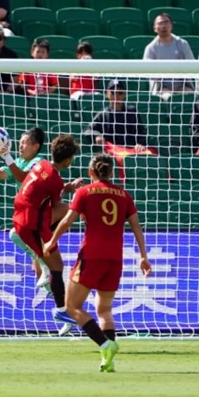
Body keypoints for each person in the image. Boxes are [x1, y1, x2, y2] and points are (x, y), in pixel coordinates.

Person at [43, 153, 151, 372]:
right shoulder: (123, 195)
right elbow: (136, 227)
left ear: (91, 172)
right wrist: (143, 256)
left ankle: (105, 343)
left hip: (91, 255)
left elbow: (67, 220)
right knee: (104, 310)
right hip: (114, 258)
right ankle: (108, 360)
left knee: (72, 307)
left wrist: (52, 241)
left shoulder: (84, 192)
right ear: (111, 172)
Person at [0, 127, 83, 335]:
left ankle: (59, 302)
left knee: (55, 264)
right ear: (68, 161)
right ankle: (61, 308)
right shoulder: (54, 180)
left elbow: (48, 187)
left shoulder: (40, 164)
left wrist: (67, 188)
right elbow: (56, 199)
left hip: (23, 216)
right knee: (56, 265)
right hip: (31, 224)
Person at [85, 79, 148, 153]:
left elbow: (141, 131)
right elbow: (88, 130)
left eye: (120, 93)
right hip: (112, 152)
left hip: (132, 151)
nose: (116, 96)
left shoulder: (132, 112)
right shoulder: (103, 114)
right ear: (107, 94)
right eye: (113, 92)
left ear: (124, 94)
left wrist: (140, 143)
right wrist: (97, 135)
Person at [143, 12, 195, 98]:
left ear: (171, 25)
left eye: (166, 22)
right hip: (162, 88)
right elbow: (147, 73)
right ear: (155, 28)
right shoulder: (150, 48)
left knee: (189, 96)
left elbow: (192, 66)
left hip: (183, 86)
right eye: (160, 23)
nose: (163, 26)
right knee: (168, 97)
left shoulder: (183, 44)